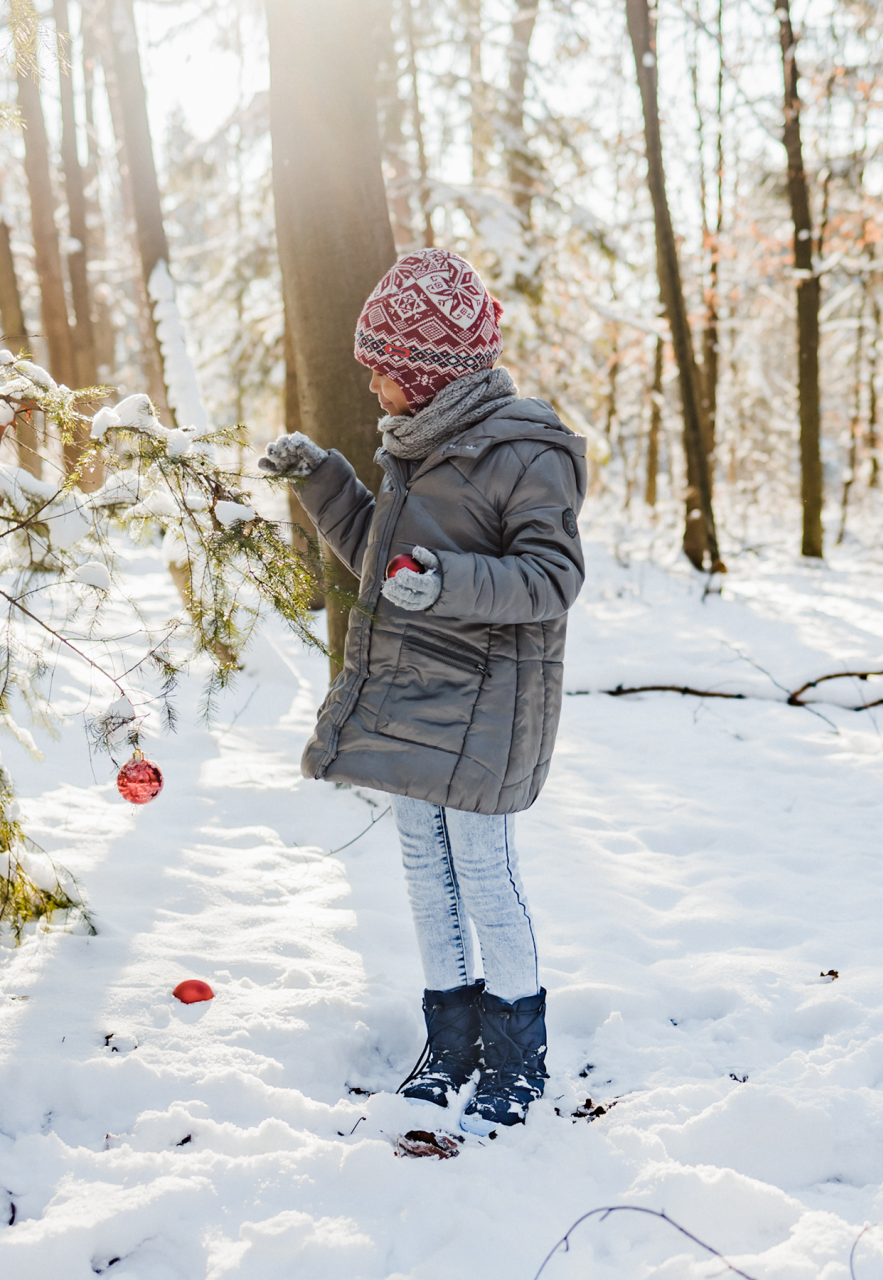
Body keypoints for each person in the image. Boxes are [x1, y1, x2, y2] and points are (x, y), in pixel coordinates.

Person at [259, 248, 586, 1134]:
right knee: (422, 873)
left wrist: (445, 585)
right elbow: (381, 559)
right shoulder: (418, 445)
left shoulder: (527, 452)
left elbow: (551, 578)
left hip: (488, 711)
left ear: (428, 374)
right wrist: (324, 480)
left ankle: (518, 1056)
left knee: (484, 875)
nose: (369, 382)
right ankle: (451, 1043)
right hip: (415, 700)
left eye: (380, 366)